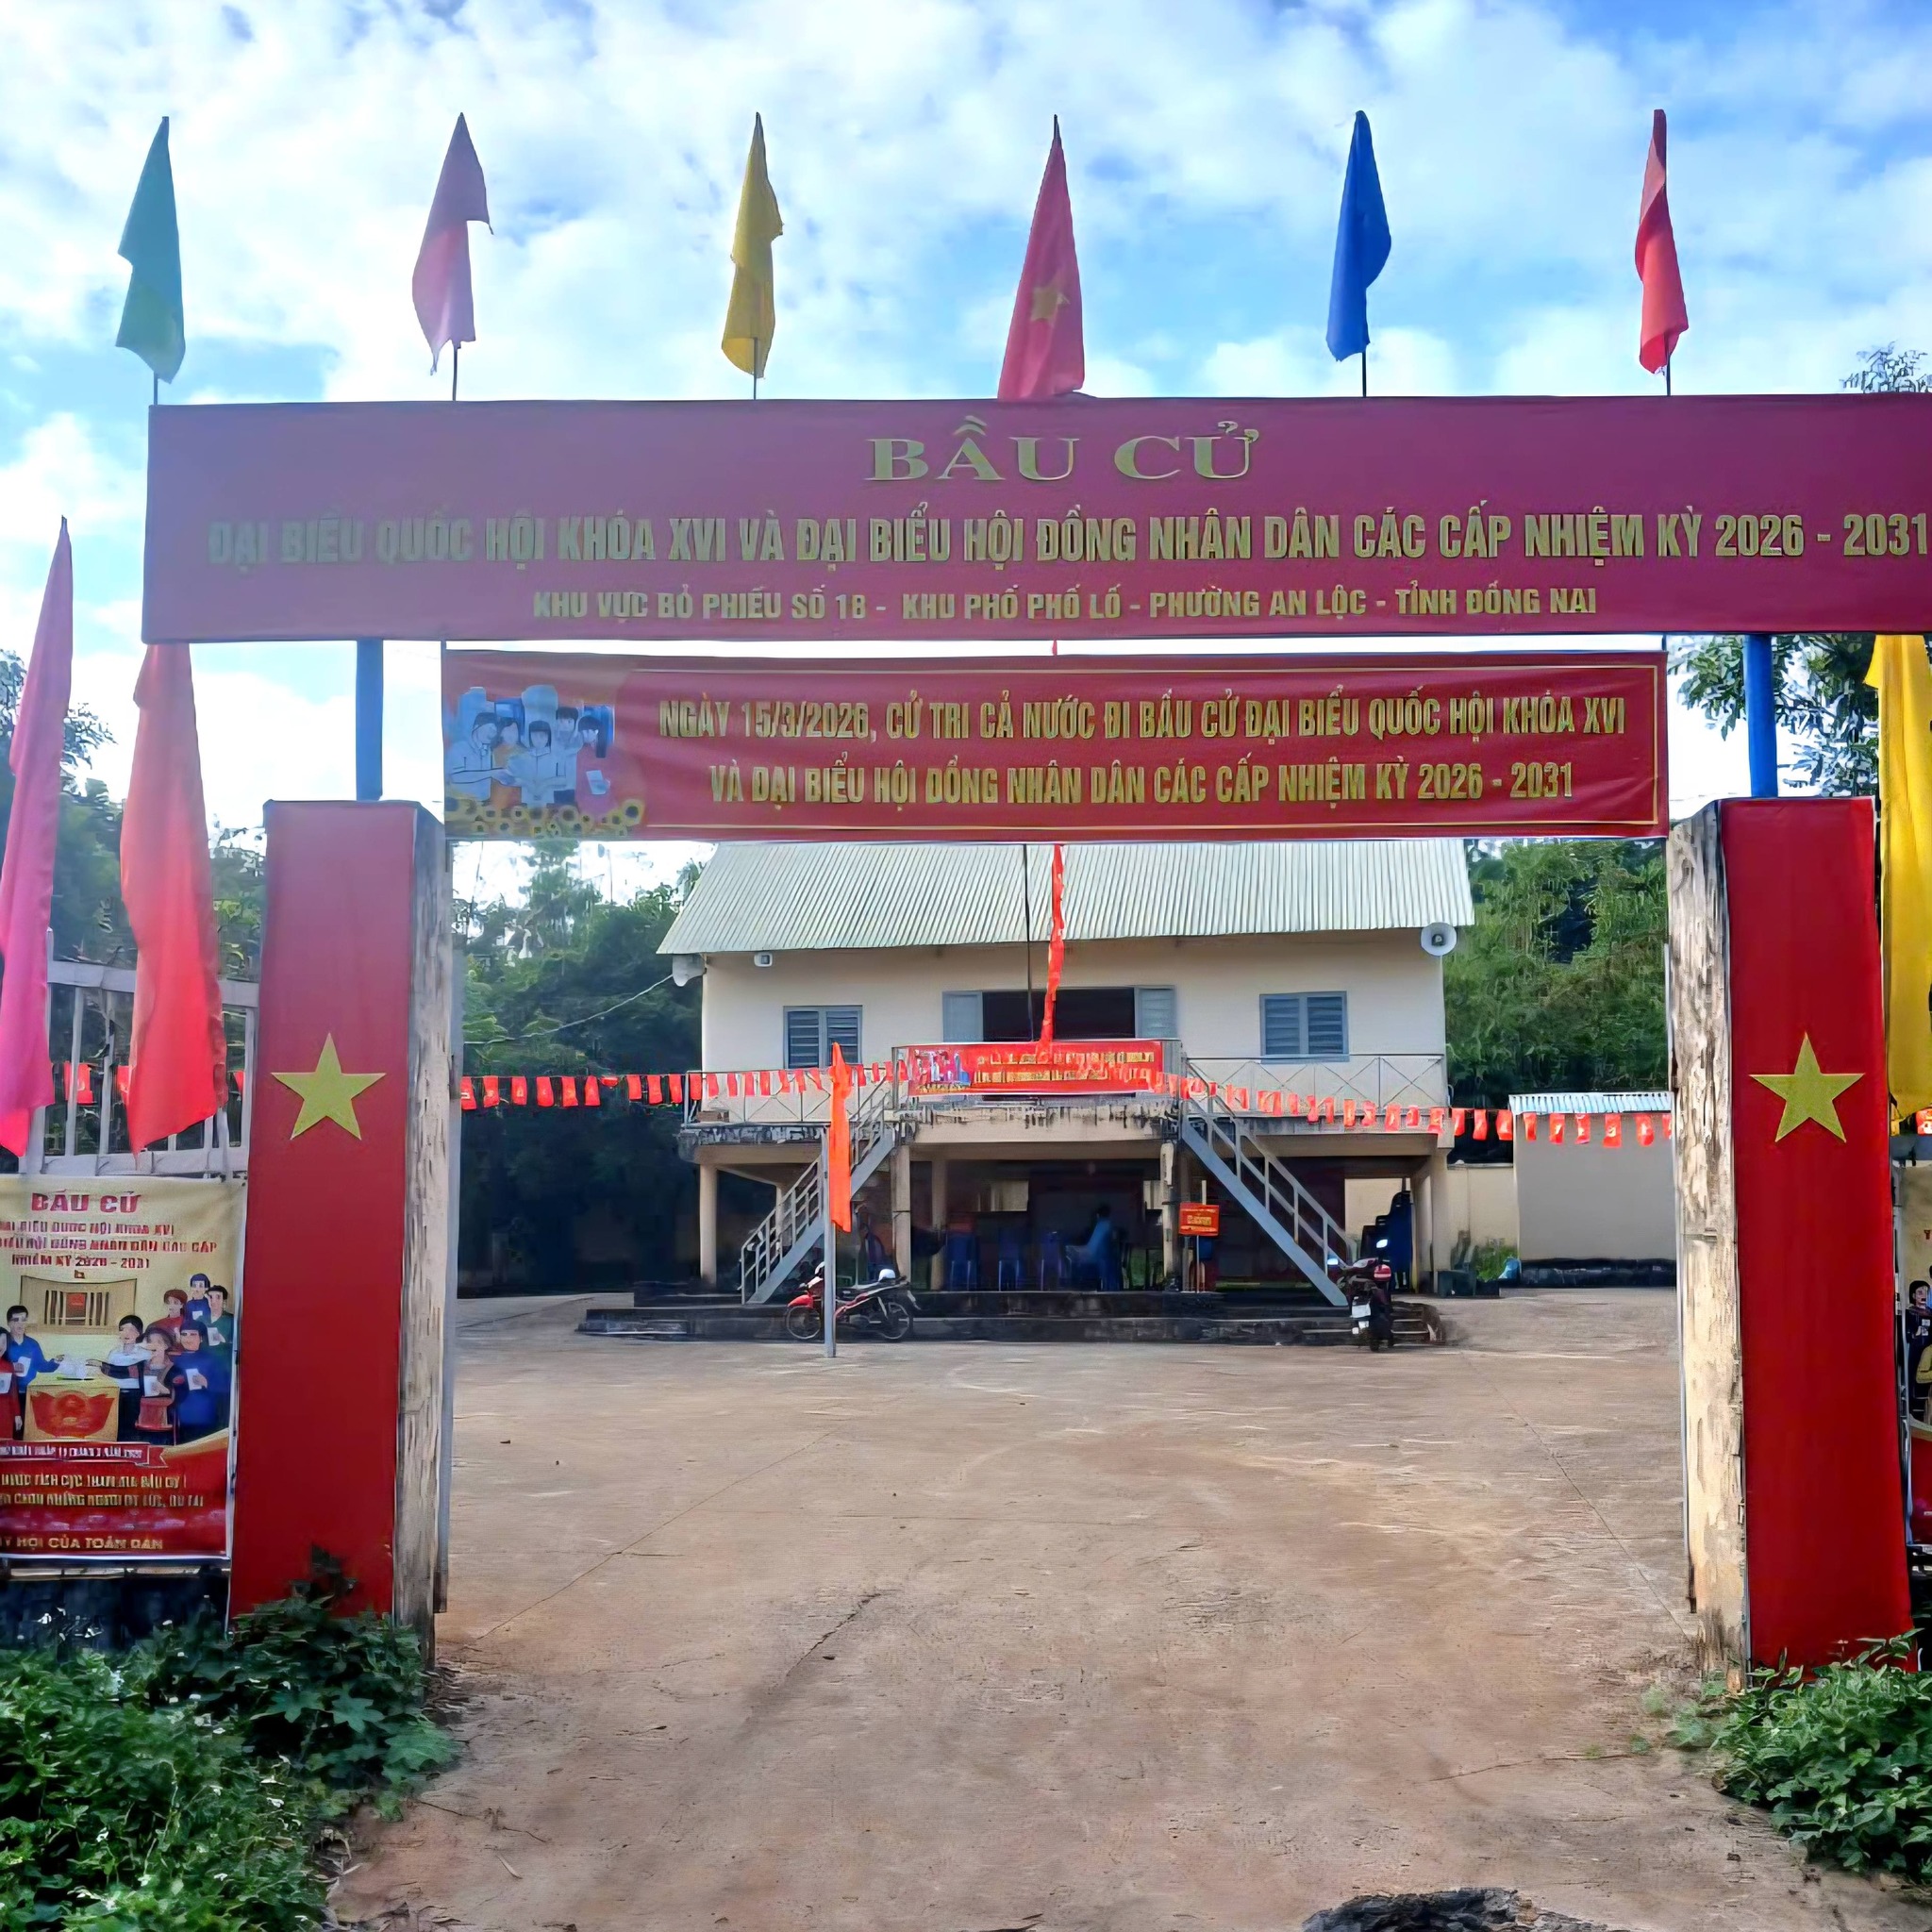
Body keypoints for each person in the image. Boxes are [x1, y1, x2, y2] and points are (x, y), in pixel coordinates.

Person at [166, 1323, 231, 1442]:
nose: (188, 1338)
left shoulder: (212, 1359)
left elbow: (226, 1387)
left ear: (201, 1338)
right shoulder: (174, 1359)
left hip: (204, 1416)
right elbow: (166, 1383)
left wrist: (206, 1383)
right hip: (179, 1416)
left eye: (193, 1334)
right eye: (184, 1334)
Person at [96, 1313, 149, 1441]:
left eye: (131, 1329)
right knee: (113, 1424)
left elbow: (126, 1372)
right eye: (123, 1329)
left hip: (134, 1394)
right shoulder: (114, 1353)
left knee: (129, 1426)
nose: (126, 1333)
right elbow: (107, 1373)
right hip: (114, 1393)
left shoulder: (145, 1354)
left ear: (139, 1333)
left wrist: (102, 1366)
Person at [3, 1304, 50, 1441]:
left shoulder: (32, 1344)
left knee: (26, 1432)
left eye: (23, 1320)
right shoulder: (3, 1342)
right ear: (9, 1323)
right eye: (16, 1320)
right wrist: (12, 1366)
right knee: (9, 1432)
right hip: (7, 1396)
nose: (21, 1324)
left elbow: (42, 1366)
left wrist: (57, 1362)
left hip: (29, 1394)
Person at [131, 1325, 177, 1444]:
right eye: (150, 1341)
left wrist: (165, 1390)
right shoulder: (140, 1366)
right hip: (140, 1419)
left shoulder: (175, 1369)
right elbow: (122, 1374)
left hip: (164, 1421)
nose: (154, 1345)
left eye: (159, 1342)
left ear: (166, 1346)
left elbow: (183, 1393)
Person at [1909, 1279, 1932, 1420]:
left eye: (1926, 1292)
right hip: (1915, 1351)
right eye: (1920, 1292)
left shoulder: (1931, 1313)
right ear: (1913, 1295)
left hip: (1929, 1350)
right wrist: (1914, 1334)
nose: (1923, 1295)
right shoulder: (1910, 1313)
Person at [1367, 1266, 1397, 1352]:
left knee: (1384, 1320)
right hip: (1373, 1308)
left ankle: (1388, 1337)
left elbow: (1386, 1300)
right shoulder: (1373, 1287)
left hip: (1379, 1308)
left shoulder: (1380, 1289)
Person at [204, 1285, 236, 1355]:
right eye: (210, 1297)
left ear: (224, 1301)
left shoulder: (232, 1320)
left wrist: (223, 1341)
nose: (213, 1301)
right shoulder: (201, 1319)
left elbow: (237, 1346)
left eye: (218, 1297)